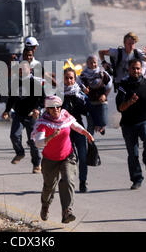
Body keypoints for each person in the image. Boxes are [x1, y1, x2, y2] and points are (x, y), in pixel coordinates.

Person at [31, 95, 94, 223]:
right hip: (50, 159)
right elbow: (38, 143)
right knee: (49, 187)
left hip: (67, 156)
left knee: (68, 180)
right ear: (47, 109)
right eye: (52, 108)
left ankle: (67, 211)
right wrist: (51, 136)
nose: (56, 110)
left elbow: (73, 124)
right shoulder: (43, 122)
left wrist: (85, 132)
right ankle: (45, 205)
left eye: (58, 107)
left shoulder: (64, 115)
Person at [116, 59, 146, 190]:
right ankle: (137, 179)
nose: (136, 71)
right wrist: (129, 102)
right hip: (128, 124)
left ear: (141, 69)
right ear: (128, 70)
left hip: (144, 121)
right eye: (133, 68)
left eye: (138, 68)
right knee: (133, 154)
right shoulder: (123, 86)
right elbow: (120, 108)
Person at [2, 62, 45, 173]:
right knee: (14, 136)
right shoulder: (16, 82)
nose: (21, 71)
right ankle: (20, 153)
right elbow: (11, 98)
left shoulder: (34, 83)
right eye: (19, 70)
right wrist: (7, 110)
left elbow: (42, 100)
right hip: (19, 115)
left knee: (33, 142)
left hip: (32, 116)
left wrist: (37, 109)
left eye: (23, 69)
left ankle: (36, 164)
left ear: (29, 70)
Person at [62, 68, 90, 193]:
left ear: (75, 79)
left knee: (83, 156)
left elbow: (87, 110)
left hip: (78, 128)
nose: (69, 80)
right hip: (65, 130)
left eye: (71, 78)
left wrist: (80, 99)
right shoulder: (58, 94)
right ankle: (70, 181)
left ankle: (83, 182)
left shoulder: (80, 93)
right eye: (66, 78)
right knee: (72, 157)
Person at [79, 55, 112, 136]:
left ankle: (101, 126)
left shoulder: (102, 73)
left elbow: (109, 85)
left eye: (95, 62)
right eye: (91, 63)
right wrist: (83, 90)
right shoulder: (83, 75)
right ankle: (90, 143)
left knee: (103, 121)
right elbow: (78, 86)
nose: (93, 64)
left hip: (102, 102)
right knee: (90, 125)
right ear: (87, 64)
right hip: (90, 103)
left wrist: (105, 95)